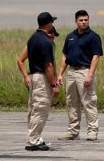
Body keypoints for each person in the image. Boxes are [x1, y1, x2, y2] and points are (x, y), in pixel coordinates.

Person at [57, 10, 103, 141]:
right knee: (71, 102)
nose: (84, 22)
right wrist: (60, 74)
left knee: (88, 101)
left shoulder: (93, 37)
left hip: (84, 71)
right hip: (71, 72)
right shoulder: (70, 36)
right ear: (76, 21)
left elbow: (96, 57)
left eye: (86, 20)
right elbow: (65, 56)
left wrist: (90, 75)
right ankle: (73, 131)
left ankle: (92, 130)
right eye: (81, 20)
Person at [20, 12, 60, 151]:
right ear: (48, 24)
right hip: (42, 78)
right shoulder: (46, 42)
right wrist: (54, 84)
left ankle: (34, 137)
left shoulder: (32, 39)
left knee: (33, 109)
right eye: (51, 23)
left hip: (33, 76)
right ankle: (33, 140)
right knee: (41, 108)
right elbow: (48, 66)